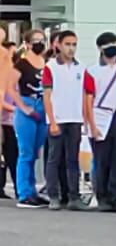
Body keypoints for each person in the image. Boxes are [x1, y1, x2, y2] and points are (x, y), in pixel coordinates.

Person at [83, 32, 116, 213]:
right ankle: (102, 197)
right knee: (102, 160)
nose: (113, 49)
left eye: (115, 45)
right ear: (100, 49)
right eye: (108, 46)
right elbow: (88, 100)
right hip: (100, 115)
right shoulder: (92, 71)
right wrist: (91, 126)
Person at [42, 30, 87, 211]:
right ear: (58, 45)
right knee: (54, 159)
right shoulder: (51, 67)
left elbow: (83, 95)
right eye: (67, 44)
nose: (71, 48)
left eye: (74, 44)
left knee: (72, 159)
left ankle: (73, 196)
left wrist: (84, 118)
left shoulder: (81, 67)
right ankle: (53, 195)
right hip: (58, 119)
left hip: (75, 118)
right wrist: (52, 120)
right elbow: (47, 96)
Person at [10, 29, 50, 208]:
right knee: (25, 152)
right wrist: (22, 106)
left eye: (42, 40)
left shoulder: (46, 63)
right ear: (27, 44)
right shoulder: (21, 64)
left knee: (35, 153)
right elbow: (10, 87)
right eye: (36, 41)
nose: (39, 44)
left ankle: (33, 190)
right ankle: (24, 193)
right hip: (28, 103)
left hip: (43, 105)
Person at [0, 36, 17, 199]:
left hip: (14, 122)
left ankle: (18, 187)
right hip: (5, 121)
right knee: (8, 155)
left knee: (13, 156)